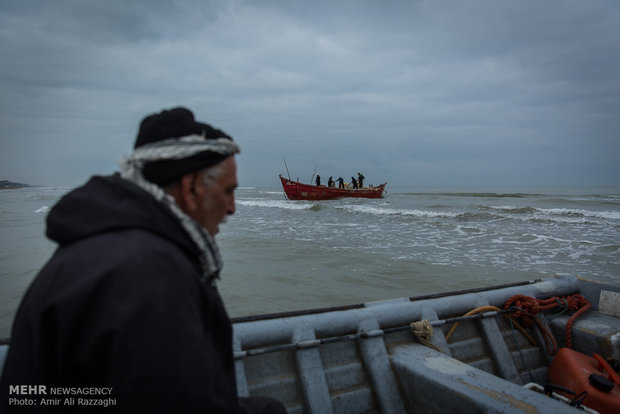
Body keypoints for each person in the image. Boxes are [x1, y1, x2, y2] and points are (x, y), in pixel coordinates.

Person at [0, 107, 287, 413]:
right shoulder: (150, 275)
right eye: (228, 191)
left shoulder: (94, 247)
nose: (232, 208)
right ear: (191, 188)